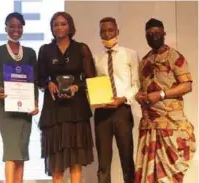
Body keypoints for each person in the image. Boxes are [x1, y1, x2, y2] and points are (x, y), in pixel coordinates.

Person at [134, 18, 196, 183]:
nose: (153, 36)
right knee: (149, 176)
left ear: (164, 34)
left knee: (170, 175)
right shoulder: (144, 61)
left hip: (170, 125)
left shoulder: (174, 56)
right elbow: (144, 87)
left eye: (156, 33)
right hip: (150, 126)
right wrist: (139, 95)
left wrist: (161, 94)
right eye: (149, 34)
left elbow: (187, 86)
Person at [37, 12, 96, 183]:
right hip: (54, 111)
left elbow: (90, 78)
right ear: (52, 28)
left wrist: (77, 86)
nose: (59, 27)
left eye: (63, 24)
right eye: (55, 24)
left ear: (70, 26)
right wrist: (48, 83)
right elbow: (39, 78)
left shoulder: (81, 48)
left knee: (75, 163)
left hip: (76, 111)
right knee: (56, 164)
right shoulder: (45, 50)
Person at [0, 12, 39, 183]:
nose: (16, 29)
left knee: (22, 150)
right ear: (6, 28)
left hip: (25, 107)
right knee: (10, 149)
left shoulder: (30, 53)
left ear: (23, 28)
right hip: (5, 105)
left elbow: (34, 81)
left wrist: (36, 103)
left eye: (19, 26)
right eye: (12, 26)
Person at [93, 17, 139, 183]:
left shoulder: (130, 54)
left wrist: (123, 98)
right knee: (103, 163)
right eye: (103, 31)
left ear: (117, 31)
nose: (107, 34)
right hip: (102, 112)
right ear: (99, 33)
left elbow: (136, 85)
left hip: (122, 111)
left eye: (110, 30)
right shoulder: (96, 58)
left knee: (126, 159)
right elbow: (94, 86)